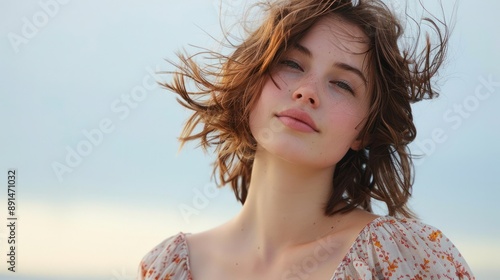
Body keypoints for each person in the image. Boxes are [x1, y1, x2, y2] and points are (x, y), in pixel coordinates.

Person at [139, 0, 475, 279]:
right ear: (250, 84)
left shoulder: (400, 256)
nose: (307, 92)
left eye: (342, 84)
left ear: (364, 130)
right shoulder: (168, 267)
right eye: (291, 64)